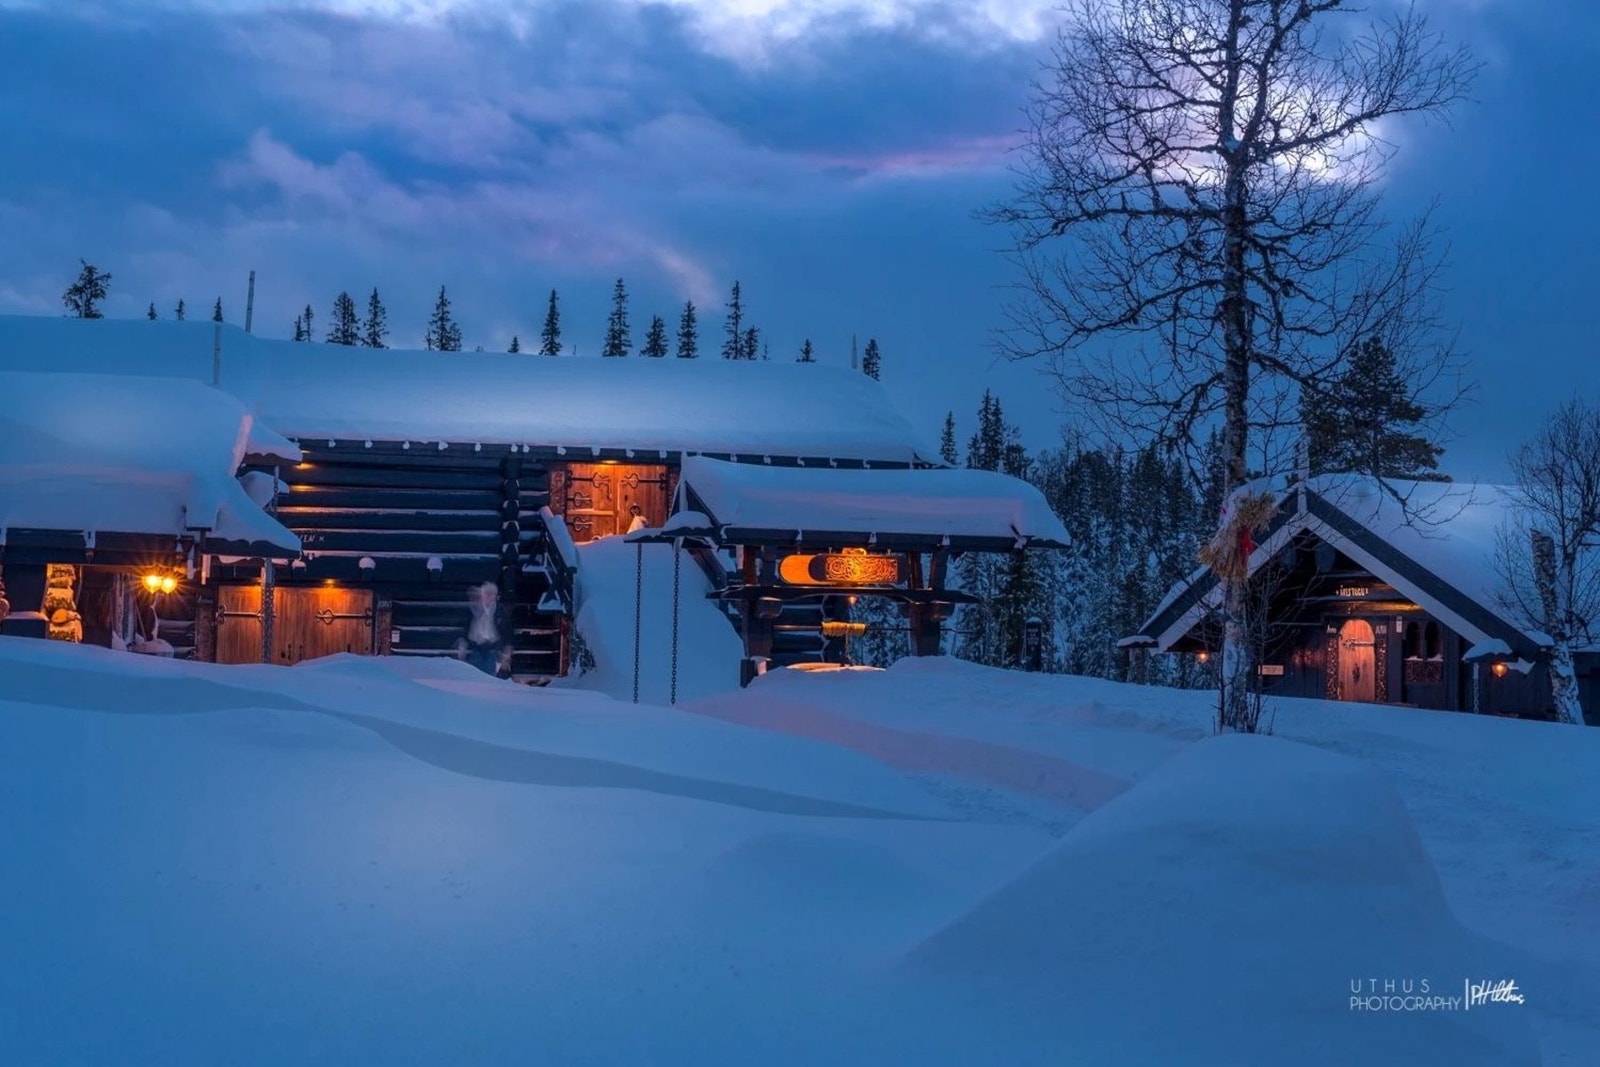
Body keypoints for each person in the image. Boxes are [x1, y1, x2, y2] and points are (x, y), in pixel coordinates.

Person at [463, 581, 507, 677]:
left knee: (489, 674)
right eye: (486, 593)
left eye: (491, 594)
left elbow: (505, 630)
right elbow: (466, 626)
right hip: (475, 647)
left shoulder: (499, 609)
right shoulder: (473, 607)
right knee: (473, 674)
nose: (488, 596)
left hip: (492, 647)